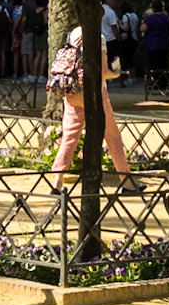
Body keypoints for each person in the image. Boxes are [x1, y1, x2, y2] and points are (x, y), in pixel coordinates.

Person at [45, 22, 140, 190]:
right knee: (113, 138)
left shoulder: (73, 33)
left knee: (69, 138)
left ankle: (57, 182)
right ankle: (127, 183)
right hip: (94, 93)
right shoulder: (98, 36)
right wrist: (116, 72)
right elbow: (103, 72)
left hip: (72, 90)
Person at [141, 0, 169, 84]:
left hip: (153, 44)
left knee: (154, 64)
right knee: (164, 64)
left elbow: (143, 28)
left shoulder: (150, 18)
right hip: (165, 43)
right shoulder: (166, 18)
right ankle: (164, 82)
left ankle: (156, 82)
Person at [100, 0, 122, 77]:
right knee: (115, 60)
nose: (114, 2)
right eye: (112, 0)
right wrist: (118, 38)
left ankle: (105, 78)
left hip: (102, 39)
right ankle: (118, 78)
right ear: (107, 1)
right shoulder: (110, 12)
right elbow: (114, 27)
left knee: (104, 60)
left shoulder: (99, 11)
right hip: (111, 39)